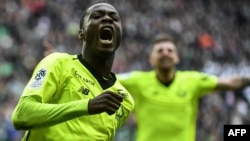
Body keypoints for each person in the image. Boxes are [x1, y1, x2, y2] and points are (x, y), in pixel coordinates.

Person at [11, 2, 134, 141]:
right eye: (97, 16)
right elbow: (21, 116)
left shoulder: (125, 101)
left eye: (114, 18)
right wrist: (88, 105)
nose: (107, 19)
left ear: (120, 34)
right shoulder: (58, 63)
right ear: (81, 34)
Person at [118, 33, 250, 141]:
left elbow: (229, 82)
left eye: (170, 50)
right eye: (159, 51)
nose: (165, 53)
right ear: (151, 59)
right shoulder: (138, 80)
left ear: (177, 58)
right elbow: (107, 79)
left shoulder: (192, 80)